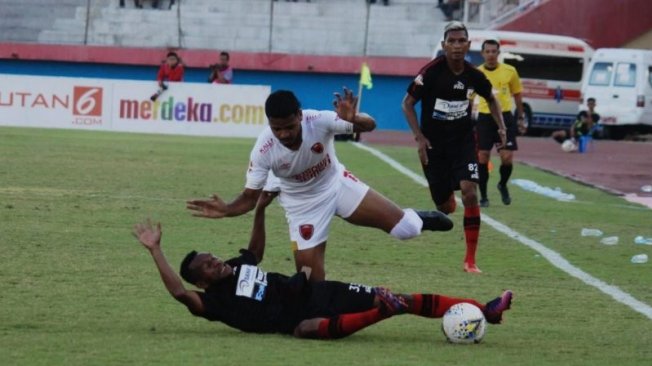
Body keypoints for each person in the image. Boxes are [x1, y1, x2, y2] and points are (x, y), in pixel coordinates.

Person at [134, 193, 513, 339]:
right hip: (295, 321)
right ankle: (381, 313)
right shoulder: (212, 304)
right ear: (202, 281)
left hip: (316, 292)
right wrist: (155, 251)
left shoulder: (238, 266)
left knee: (400, 298)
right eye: (208, 267)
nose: (216, 263)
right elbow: (178, 292)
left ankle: (485, 310)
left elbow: (255, 250)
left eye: (212, 258)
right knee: (309, 329)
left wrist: (262, 209)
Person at [187, 88, 454, 282]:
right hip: (302, 206)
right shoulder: (264, 149)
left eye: (289, 127)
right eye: (277, 128)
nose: (284, 135)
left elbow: (370, 126)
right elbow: (249, 197)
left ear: (300, 116)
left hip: (337, 185)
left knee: (406, 230)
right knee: (309, 281)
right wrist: (227, 210)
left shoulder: (319, 120)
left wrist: (354, 120)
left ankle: (416, 216)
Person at [401, 21, 506, 274]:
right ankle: (447, 198)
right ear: (444, 45)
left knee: (470, 191)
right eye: (452, 41)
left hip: (463, 143)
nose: (457, 46)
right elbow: (407, 104)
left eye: (462, 41)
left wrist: (501, 127)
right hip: (434, 147)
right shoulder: (430, 73)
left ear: (468, 45)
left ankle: (470, 260)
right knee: (445, 207)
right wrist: (419, 137)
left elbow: (491, 99)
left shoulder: (474, 76)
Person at [476, 39, 526, 207]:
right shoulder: (476, 73)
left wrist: (520, 116)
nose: (490, 55)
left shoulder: (510, 71)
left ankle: (502, 184)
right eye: (487, 51)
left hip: (505, 117)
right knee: (483, 157)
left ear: (498, 53)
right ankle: (483, 196)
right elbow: (468, 97)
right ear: (482, 54)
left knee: (507, 158)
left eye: (493, 51)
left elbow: (517, 94)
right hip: (484, 117)